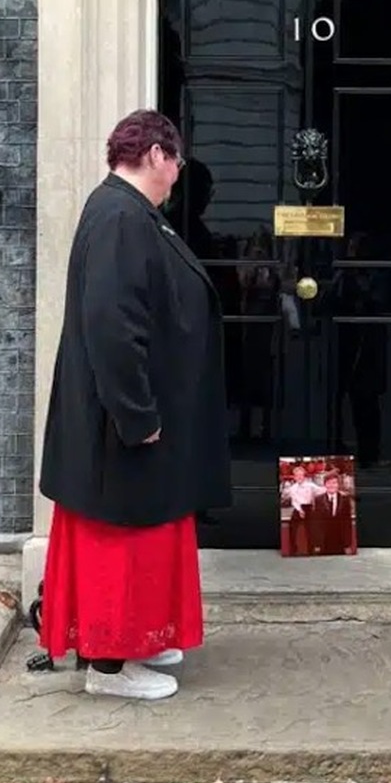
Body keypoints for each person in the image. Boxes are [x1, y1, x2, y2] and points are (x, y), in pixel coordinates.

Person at [38, 110, 231, 702]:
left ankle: (136, 639)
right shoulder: (123, 217)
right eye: (174, 161)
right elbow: (114, 328)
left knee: (142, 534)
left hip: (127, 420)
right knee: (120, 542)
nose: (177, 175)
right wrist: (137, 415)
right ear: (154, 155)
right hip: (121, 427)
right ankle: (109, 666)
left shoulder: (128, 214)